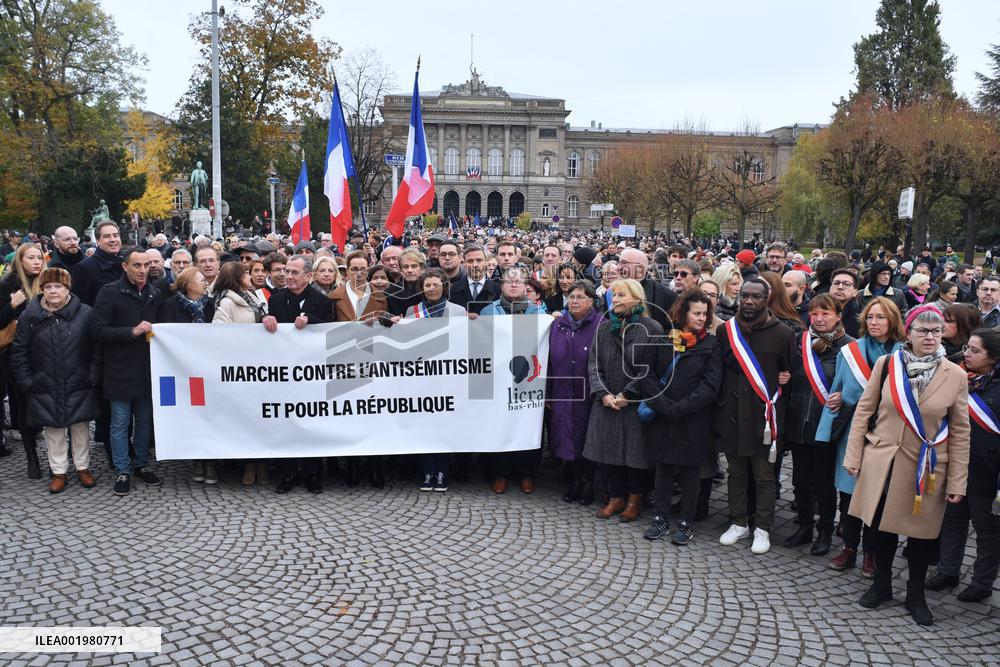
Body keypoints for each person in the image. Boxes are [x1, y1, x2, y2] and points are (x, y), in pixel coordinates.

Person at [843, 305, 970, 626]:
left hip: (926, 468)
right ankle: (881, 584)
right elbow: (864, 411)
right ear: (908, 333)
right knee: (880, 526)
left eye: (936, 331)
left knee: (922, 536)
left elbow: (960, 431)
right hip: (883, 461)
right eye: (923, 330)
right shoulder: (888, 365)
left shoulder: (955, 374)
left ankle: (916, 594)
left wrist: (957, 481)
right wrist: (854, 455)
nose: (930, 337)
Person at [817, 297, 905, 575]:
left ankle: (872, 552)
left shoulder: (905, 353)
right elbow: (837, 394)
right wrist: (823, 434)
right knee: (850, 494)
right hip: (854, 432)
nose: (875, 322)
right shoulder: (850, 352)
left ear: (892, 321)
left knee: (878, 496)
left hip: (888, 433)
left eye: (881, 317)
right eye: (870, 317)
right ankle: (850, 548)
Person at [716, 278, 796, 555]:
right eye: (744, 296)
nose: (749, 301)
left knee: (764, 476)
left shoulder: (784, 334)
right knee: (735, 472)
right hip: (732, 415)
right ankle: (739, 522)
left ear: (766, 299)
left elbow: (789, 374)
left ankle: (762, 527)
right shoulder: (727, 331)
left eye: (756, 297)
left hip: (765, 418)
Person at [924, 329, 1000, 603]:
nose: (967, 353)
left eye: (975, 351)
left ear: (993, 358)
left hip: (987, 470)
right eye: (967, 347)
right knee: (952, 520)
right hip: (956, 462)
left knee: (986, 530)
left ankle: (982, 582)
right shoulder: (956, 375)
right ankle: (948, 570)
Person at [642, 290, 721, 545]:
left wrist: (681, 408)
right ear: (683, 313)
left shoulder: (711, 344)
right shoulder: (665, 339)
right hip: (663, 416)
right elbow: (648, 377)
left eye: (705, 314)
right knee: (663, 470)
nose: (701, 318)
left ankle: (686, 521)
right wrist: (664, 406)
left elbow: (710, 385)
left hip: (693, 420)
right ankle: (660, 517)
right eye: (696, 313)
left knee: (689, 473)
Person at [583, 278, 663, 523]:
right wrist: (603, 394)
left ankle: (634, 499)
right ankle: (615, 497)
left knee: (635, 455)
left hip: (634, 402)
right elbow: (594, 365)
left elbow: (648, 368)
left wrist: (627, 394)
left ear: (637, 299)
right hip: (607, 400)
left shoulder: (652, 328)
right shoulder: (605, 327)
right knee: (611, 452)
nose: (614, 299)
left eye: (620, 295)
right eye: (613, 295)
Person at [11, 267, 96, 492]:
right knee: (54, 430)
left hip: (79, 382)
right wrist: (27, 381)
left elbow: (96, 348)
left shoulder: (85, 313)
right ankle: (58, 472)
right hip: (44, 383)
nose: (52, 291)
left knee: (80, 428)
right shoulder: (31, 315)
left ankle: (82, 468)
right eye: (48, 287)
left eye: (57, 286)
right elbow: (19, 351)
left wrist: (92, 375)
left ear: (67, 288)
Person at [783, 294, 853, 556]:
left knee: (824, 482)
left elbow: (857, 388)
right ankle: (804, 525)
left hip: (828, 426)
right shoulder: (800, 342)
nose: (819, 319)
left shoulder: (849, 348)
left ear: (838, 315)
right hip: (799, 420)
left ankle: (825, 530)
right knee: (800, 480)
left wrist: (843, 396)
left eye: (825, 313)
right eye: (814, 314)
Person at [93, 247, 161, 496]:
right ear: (125, 266)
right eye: (137, 265)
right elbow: (98, 330)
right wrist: (130, 332)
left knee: (144, 421)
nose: (143, 270)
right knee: (120, 423)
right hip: (119, 369)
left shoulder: (154, 292)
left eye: (146, 265)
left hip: (146, 368)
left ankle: (141, 464)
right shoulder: (110, 293)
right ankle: (123, 469)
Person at [263, 255, 332, 493]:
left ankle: (313, 474)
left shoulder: (321, 301)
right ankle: (288, 473)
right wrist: (265, 319)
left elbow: (329, 328)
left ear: (308, 276)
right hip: (284, 373)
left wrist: (310, 320)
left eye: (294, 272)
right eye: (285, 271)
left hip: (312, 375)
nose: (288, 276)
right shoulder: (276, 299)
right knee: (287, 423)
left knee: (312, 423)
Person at [395, 268, 467, 491]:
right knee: (425, 426)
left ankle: (442, 472)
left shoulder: (459, 311)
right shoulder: (411, 311)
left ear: (444, 286)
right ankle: (427, 472)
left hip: (448, 377)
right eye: (428, 285)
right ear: (422, 288)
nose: (432, 288)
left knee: (444, 426)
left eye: (436, 284)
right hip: (422, 378)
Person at [546, 280, 602, 504]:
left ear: (591, 300)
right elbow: (549, 360)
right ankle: (575, 480)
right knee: (567, 437)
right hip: (562, 391)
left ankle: (589, 482)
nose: (575, 301)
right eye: (572, 297)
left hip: (588, 392)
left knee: (587, 438)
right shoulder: (557, 325)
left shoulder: (601, 324)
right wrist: (549, 392)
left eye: (581, 297)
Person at [0, 244, 46, 475]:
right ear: (20, 260)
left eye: (39, 257)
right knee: (24, 405)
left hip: (46, 354)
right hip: (17, 354)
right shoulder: (9, 285)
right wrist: (12, 305)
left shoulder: (48, 282)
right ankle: (32, 455)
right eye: (31, 257)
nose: (37, 262)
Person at [617, 248, 675, 330]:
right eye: (619, 263)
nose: (619, 267)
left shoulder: (667, 296)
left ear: (640, 268)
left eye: (624, 263)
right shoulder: (611, 293)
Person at [71, 221, 123, 307]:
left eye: (115, 235)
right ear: (98, 241)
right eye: (107, 236)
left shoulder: (128, 263)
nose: (113, 239)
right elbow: (80, 304)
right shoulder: (85, 268)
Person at [331, 251, 388, 323]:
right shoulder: (335, 297)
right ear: (347, 271)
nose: (359, 274)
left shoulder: (380, 297)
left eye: (363, 269)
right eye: (354, 269)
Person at [829, 269, 862, 338]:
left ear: (855, 292)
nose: (840, 287)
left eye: (846, 284)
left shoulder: (860, 317)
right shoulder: (817, 310)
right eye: (836, 283)